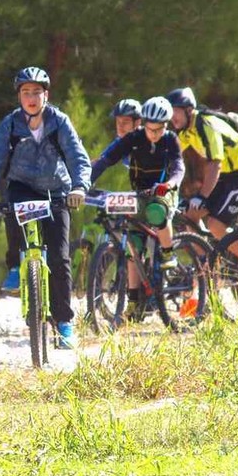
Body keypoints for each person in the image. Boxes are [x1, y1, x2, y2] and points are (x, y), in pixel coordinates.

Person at [0, 66, 91, 349]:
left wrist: (79, 187)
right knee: (12, 211)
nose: (31, 97)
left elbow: (77, 156)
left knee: (60, 259)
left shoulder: (59, 121)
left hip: (57, 190)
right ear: (19, 97)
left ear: (46, 95)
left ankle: (64, 323)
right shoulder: (12, 123)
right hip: (22, 186)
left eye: (36, 92)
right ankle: (15, 265)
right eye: (25, 92)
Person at [91, 97, 185, 320]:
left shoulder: (170, 140)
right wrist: (85, 183)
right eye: (150, 129)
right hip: (140, 193)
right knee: (132, 246)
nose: (153, 134)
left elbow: (178, 168)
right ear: (144, 123)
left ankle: (168, 254)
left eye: (158, 130)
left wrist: (170, 185)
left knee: (157, 211)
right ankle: (133, 302)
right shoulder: (133, 138)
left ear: (166, 125)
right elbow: (106, 159)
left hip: (163, 191)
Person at [167, 87, 238, 262]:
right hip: (227, 176)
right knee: (191, 216)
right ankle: (207, 267)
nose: (172, 117)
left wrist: (203, 196)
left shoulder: (205, 124)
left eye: (175, 112)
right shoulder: (186, 130)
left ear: (189, 110)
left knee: (215, 224)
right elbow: (170, 157)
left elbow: (214, 164)